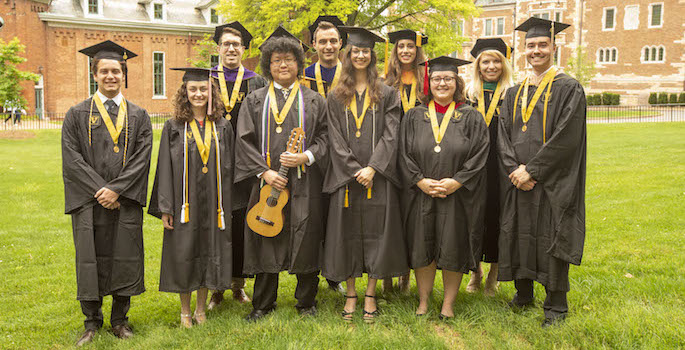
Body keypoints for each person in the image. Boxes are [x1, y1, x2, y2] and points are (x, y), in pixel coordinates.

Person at [61, 40, 152, 346]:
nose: (110, 76)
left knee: (125, 257)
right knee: (90, 259)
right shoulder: (76, 114)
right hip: (90, 203)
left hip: (123, 202)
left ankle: (120, 320)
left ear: (123, 75)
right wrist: (101, 191)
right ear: (94, 74)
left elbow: (142, 158)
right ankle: (91, 322)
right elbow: (71, 158)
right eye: (104, 71)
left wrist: (116, 190)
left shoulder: (139, 115)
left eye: (116, 70)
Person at [497, 17, 587, 328]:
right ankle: (523, 295)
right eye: (531, 45)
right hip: (518, 180)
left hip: (552, 180)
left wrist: (532, 170)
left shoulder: (569, 88)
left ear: (554, 47)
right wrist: (514, 169)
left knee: (552, 236)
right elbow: (503, 136)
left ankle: (556, 306)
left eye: (542, 45)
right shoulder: (515, 91)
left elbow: (567, 137)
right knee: (519, 233)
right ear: (523, 50)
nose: (536, 50)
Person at [235, 25, 328, 321]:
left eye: (289, 59)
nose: (283, 64)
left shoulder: (314, 100)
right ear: (268, 65)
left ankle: (306, 301)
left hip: (305, 181)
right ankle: (263, 303)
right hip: (267, 184)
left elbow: (326, 139)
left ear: (299, 64)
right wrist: (264, 173)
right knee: (266, 235)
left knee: (306, 235)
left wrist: (307, 155)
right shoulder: (255, 100)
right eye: (276, 60)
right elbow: (243, 140)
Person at [323, 26, 408, 323]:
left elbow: (391, 135)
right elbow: (333, 136)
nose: (360, 55)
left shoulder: (387, 93)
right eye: (355, 51)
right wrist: (353, 169)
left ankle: (370, 293)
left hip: (378, 177)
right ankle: (350, 293)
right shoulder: (335, 96)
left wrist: (373, 168)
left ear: (372, 56)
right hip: (345, 178)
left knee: (376, 235)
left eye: (365, 51)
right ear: (348, 55)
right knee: (345, 235)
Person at [399, 56, 488, 319]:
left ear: (456, 82)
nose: (442, 83)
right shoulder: (414, 115)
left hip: (456, 196)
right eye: (437, 78)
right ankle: (424, 300)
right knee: (422, 246)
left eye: (448, 78)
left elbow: (479, 154)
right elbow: (403, 154)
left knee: (454, 245)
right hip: (422, 194)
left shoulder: (471, 116)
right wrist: (420, 181)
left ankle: (448, 304)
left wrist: (457, 181)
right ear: (429, 82)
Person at [148, 67, 233, 328]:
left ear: (211, 92)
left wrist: (227, 205)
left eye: (203, 89)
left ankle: (200, 309)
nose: (198, 94)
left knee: (208, 252)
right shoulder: (174, 127)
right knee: (185, 252)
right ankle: (185, 311)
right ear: (185, 92)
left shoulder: (223, 126)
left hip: (214, 203)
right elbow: (163, 166)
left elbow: (229, 168)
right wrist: (165, 207)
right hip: (184, 202)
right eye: (193, 89)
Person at [207, 20, 267, 310]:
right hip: (212, 162)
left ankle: (238, 285)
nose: (231, 48)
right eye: (226, 44)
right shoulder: (206, 80)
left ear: (245, 49)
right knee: (217, 224)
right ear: (218, 48)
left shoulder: (256, 81)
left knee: (242, 224)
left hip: (245, 164)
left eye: (236, 44)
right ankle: (216, 287)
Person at [464, 38, 515, 296]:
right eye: (486, 61)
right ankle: (475, 272)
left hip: (501, 167)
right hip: (473, 165)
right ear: (478, 65)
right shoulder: (467, 95)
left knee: (497, 218)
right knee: (473, 219)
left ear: (504, 64)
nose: (491, 66)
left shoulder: (513, 94)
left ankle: (493, 275)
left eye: (497, 61)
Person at [381, 29, 428, 293]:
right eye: (401, 47)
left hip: (419, 156)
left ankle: (406, 278)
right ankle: (387, 277)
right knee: (390, 216)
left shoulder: (427, 82)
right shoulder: (387, 82)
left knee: (413, 218)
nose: (406, 51)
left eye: (411, 46)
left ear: (417, 50)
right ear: (395, 51)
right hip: (391, 155)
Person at [303, 15, 346, 294]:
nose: (328, 46)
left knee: (339, 218)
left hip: (345, 155)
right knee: (314, 216)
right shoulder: (304, 75)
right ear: (313, 45)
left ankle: (335, 275)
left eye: (333, 41)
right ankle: (310, 275)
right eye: (322, 42)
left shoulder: (354, 75)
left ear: (341, 43)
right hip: (314, 156)